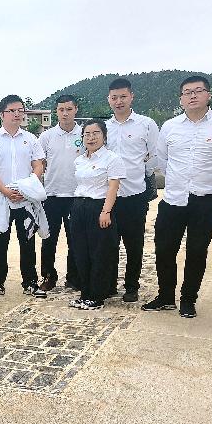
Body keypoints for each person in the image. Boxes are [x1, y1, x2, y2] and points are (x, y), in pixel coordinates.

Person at [142, 76, 212, 318]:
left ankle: (188, 299)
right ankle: (166, 296)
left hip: (207, 199)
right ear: (181, 99)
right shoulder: (170, 126)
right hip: (173, 198)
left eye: (198, 91)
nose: (193, 96)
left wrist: (210, 180)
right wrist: (178, 181)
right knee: (164, 249)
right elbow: (162, 160)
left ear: (208, 95)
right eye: (187, 92)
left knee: (197, 250)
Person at [0, 95, 46, 300]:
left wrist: (27, 187)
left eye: (20, 110)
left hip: (25, 196)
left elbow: (38, 165)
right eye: (12, 110)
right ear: (2, 114)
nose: (17, 114)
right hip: (1, 195)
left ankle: (30, 282)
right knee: (0, 240)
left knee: (27, 239)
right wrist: (5, 190)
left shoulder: (31, 139)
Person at [105, 78, 160, 302]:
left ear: (131, 97)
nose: (119, 101)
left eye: (123, 97)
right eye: (114, 97)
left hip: (135, 195)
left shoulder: (146, 124)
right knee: (109, 243)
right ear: (109, 99)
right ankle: (109, 285)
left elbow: (154, 156)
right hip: (108, 197)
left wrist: (140, 173)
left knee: (134, 244)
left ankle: (131, 286)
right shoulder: (104, 127)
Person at [67, 120, 124, 310]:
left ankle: (97, 296)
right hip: (79, 206)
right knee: (80, 252)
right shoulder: (79, 160)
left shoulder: (112, 159)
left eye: (96, 133)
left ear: (104, 136)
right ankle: (85, 293)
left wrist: (106, 211)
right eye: (87, 134)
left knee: (100, 253)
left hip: (99, 207)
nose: (91, 138)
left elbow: (113, 187)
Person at [37, 95, 83, 292]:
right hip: (52, 195)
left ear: (76, 110)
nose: (65, 113)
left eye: (69, 109)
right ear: (56, 111)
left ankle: (74, 277)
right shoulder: (46, 137)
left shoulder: (84, 134)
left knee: (76, 239)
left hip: (77, 195)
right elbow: (39, 165)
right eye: (61, 110)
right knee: (49, 238)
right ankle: (49, 276)